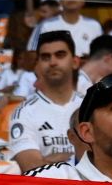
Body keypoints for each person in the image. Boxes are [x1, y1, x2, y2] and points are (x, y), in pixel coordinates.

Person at [7, 30, 81, 171]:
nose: (52, 62)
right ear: (38, 65)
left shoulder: (92, 106)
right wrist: (77, 159)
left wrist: (52, 159)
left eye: (60, 55)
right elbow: (31, 167)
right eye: (45, 57)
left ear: (75, 62)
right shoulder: (23, 113)